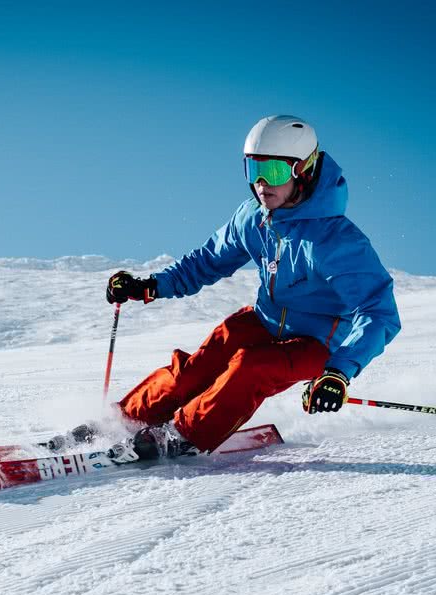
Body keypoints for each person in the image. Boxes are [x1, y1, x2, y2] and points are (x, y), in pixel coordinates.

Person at [105, 115, 401, 460]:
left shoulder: (336, 241)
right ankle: (122, 421)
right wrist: (150, 285)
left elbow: (378, 313)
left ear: (302, 170)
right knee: (197, 368)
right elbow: (207, 261)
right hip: (263, 320)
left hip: (318, 343)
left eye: (273, 172)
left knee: (251, 366)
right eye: (252, 170)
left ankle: (180, 436)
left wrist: (339, 372)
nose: (261, 183)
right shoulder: (253, 217)